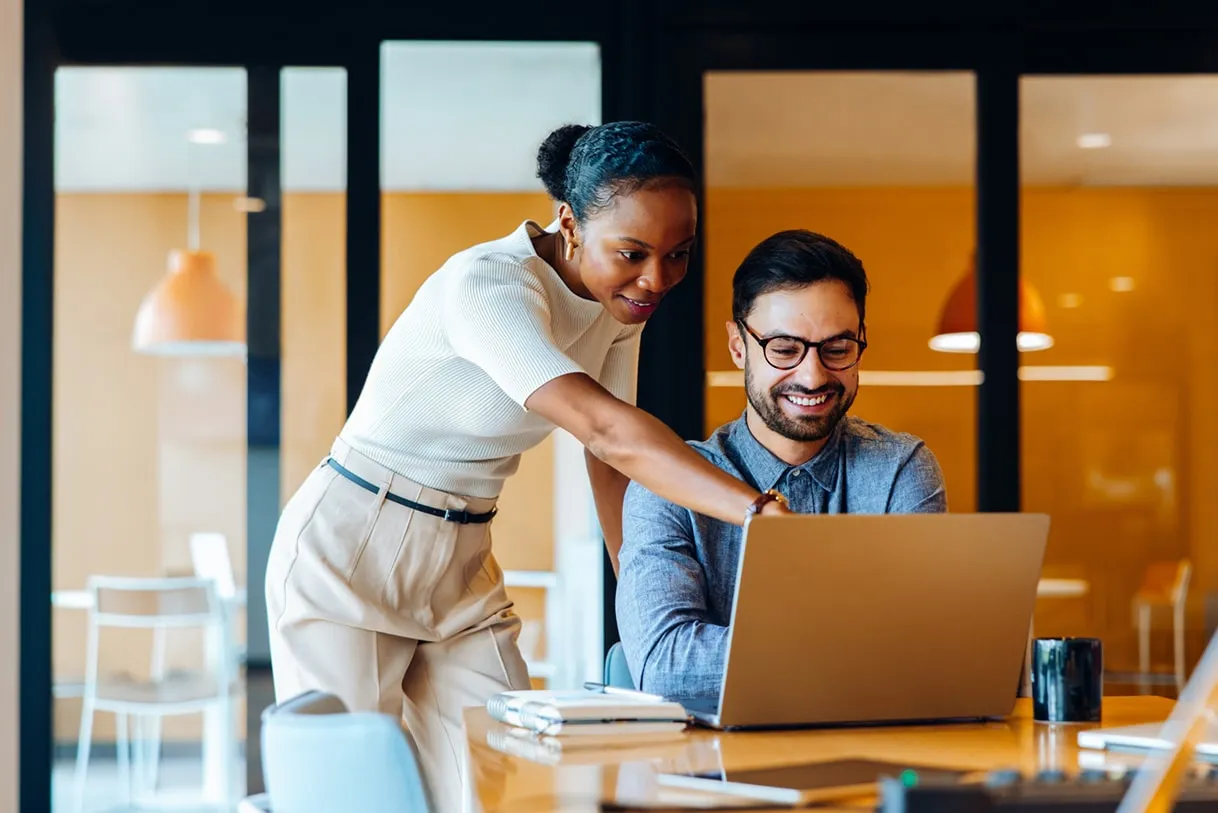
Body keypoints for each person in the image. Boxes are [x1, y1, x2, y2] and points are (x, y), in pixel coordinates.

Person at [263, 121, 792, 809]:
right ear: (569, 223)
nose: (656, 278)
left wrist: (639, 603)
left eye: (678, 254)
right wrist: (756, 509)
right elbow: (605, 430)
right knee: (353, 794)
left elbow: (611, 467)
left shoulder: (619, 307)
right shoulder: (488, 286)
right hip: (351, 543)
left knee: (504, 779)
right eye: (632, 252)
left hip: (462, 555)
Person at [615, 229, 948, 701]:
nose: (812, 376)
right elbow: (666, 666)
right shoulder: (666, 485)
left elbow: (933, 654)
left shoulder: (900, 469)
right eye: (785, 349)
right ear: (738, 347)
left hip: (873, 761)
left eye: (836, 349)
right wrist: (866, 650)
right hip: (715, 770)